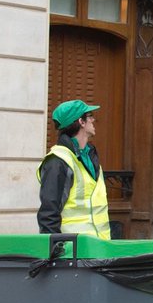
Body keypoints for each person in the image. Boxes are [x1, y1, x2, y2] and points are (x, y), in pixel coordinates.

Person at [36, 99, 111, 240]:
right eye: (90, 116)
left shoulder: (89, 155)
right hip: (73, 251)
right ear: (81, 122)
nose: (93, 120)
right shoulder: (58, 161)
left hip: (99, 246)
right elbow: (48, 214)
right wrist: (56, 251)